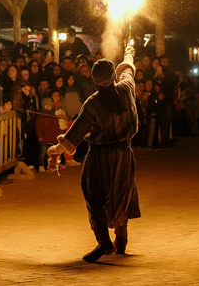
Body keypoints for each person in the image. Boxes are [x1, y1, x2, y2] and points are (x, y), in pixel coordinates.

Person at [47, 43, 140, 262]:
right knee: (121, 194)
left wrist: (57, 149)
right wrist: (129, 52)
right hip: (124, 155)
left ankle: (104, 242)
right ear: (112, 77)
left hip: (99, 158)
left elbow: (73, 138)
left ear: (95, 80)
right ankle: (121, 239)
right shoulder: (126, 88)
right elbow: (128, 69)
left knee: (94, 197)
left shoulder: (93, 103)